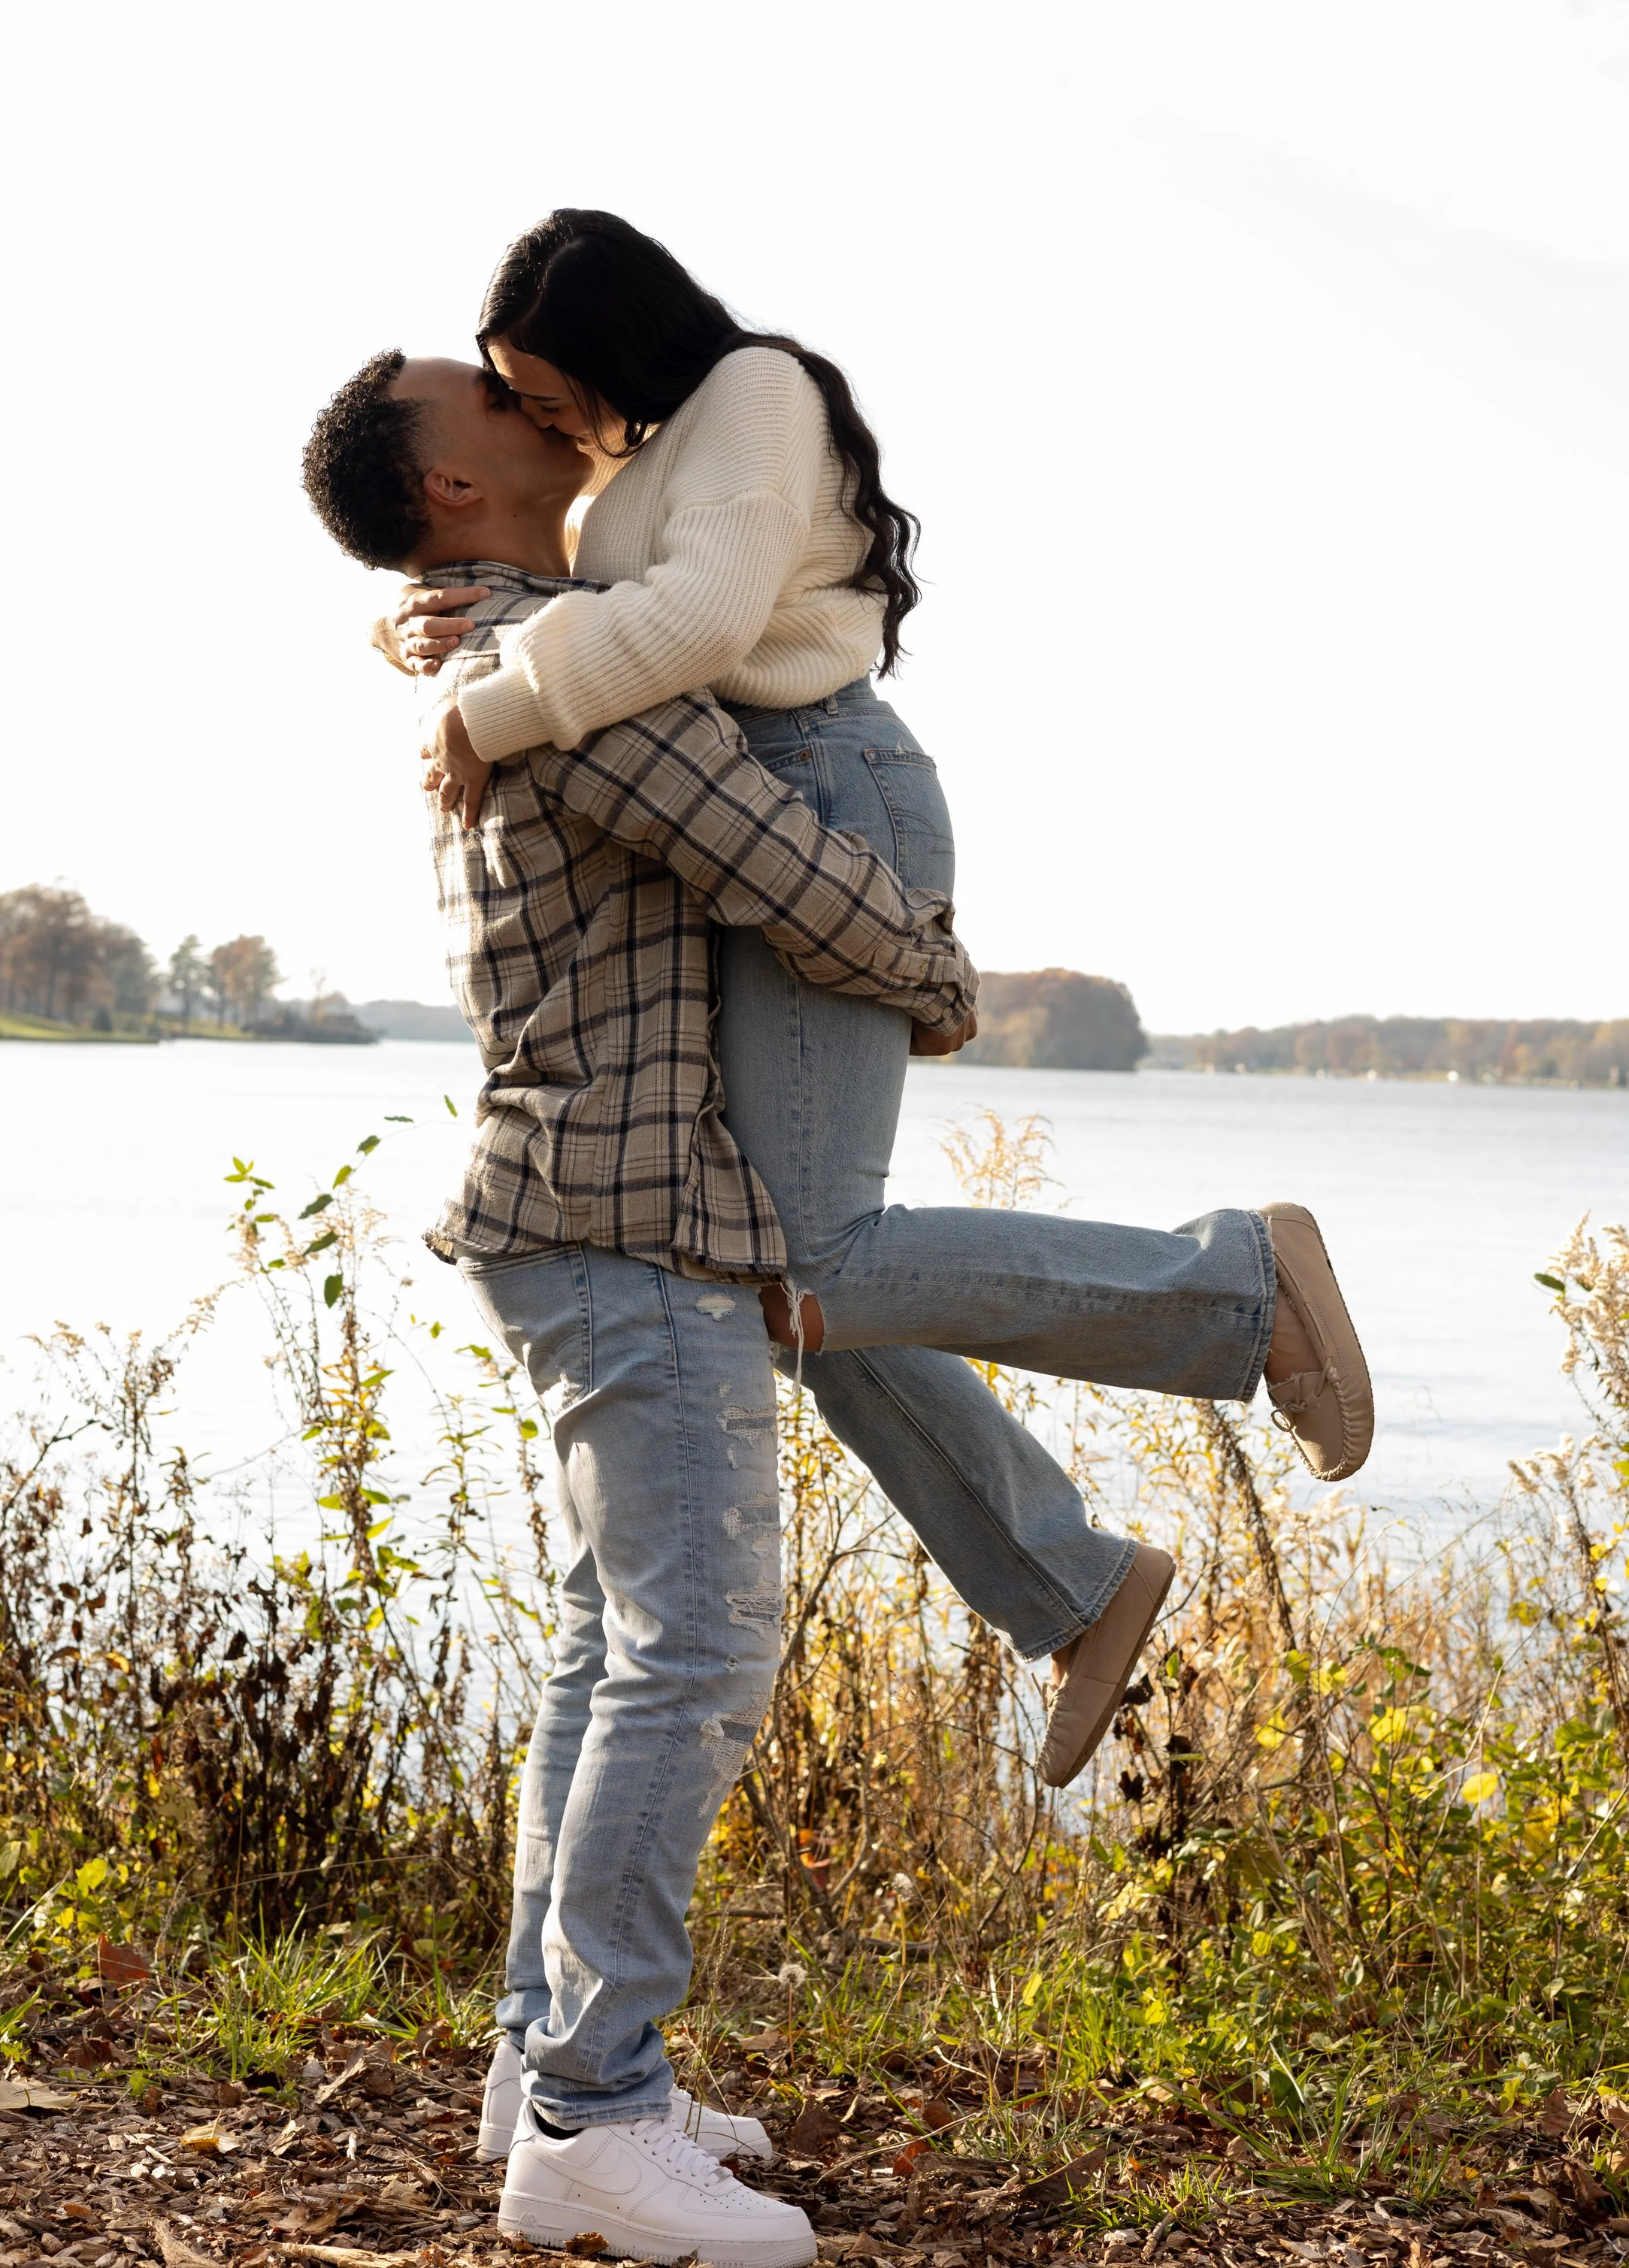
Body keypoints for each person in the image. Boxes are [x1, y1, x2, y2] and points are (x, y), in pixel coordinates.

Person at [303, 353, 1373, 2266]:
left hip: (579, 1217)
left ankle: (544, 2067)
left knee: (603, 1651)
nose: (528, 394)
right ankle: (591, 2114)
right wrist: (937, 975)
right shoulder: (566, 674)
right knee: (692, 1656)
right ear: (449, 487)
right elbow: (773, 856)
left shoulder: (509, 649)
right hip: (631, 1236)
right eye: (481, 394)